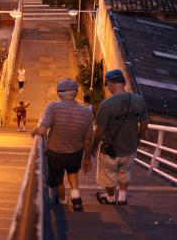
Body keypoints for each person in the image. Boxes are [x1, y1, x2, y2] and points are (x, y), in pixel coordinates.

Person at [31, 78, 93, 211]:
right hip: (76, 152)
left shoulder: (53, 107)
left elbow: (42, 129)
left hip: (56, 152)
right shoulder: (87, 113)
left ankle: (63, 200)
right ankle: (76, 197)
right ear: (76, 93)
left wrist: (33, 132)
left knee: (57, 179)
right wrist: (87, 158)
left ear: (59, 93)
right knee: (72, 171)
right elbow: (88, 139)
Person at [92, 69, 148, 206]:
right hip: (130, 147)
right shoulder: (139, 100)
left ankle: (110, 198)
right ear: (122, 82)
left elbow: (99, 131)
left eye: (107, 84)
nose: (108, 87)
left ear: (111, 83)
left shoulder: (106, 104)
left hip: (110, 149)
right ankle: (122, 198)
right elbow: (144, 124)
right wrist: (138, 139)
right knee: (125, 172)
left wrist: (94, 146)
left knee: (109, 175)